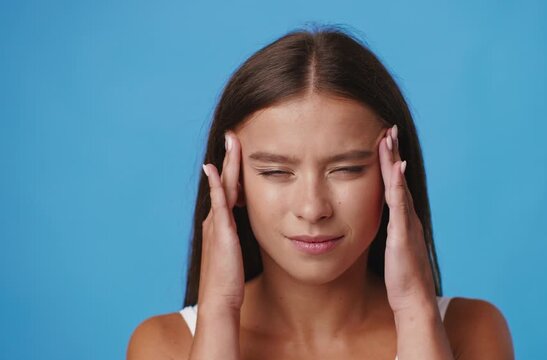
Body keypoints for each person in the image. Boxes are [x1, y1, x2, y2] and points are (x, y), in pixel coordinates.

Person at [127, 25, 514, 360]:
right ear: (235, 183)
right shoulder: (167, 344)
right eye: (276, 171)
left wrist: (415, 308)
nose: (313, 208)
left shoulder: (470, 331)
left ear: (391, 175)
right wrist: (219, 312)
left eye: (346, 169)